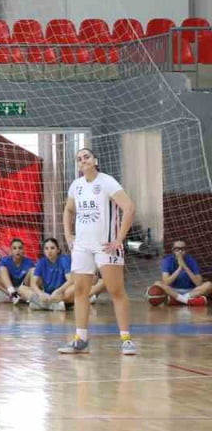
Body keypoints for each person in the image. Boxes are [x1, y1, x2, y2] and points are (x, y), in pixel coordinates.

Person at [59, 147, 136, 355]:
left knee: (115, 290)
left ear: (95, 160)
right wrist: (68, 235)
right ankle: (81, 339)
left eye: (86, 157)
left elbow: (129, 207)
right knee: (80, 291)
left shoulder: (107, 181)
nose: (82, 160)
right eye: (79, 159)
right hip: (82, 246)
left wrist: (119, 238)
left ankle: (126, 339)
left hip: (106, 244)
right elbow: (68, 209)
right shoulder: (76, 185)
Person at [149, 240, 212, 306]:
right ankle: (188, 301)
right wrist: (180, 268)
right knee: (157, 283)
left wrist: (185, 266)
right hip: (172, 291)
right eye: (177, 249)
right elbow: (166, 282)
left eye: (183, 249)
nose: (180, 251)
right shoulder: (167, 260)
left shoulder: (191, 260)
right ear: (173, 250)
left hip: (191, 291)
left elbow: (198, 283)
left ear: (186, 250)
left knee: (209, 285)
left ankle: (178, 300)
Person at [0, 238, 36, 304]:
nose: (17, 250)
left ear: (23, 250)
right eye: (14, 248)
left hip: (22, 291)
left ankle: (25, 295)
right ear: (11, 251)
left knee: (33, 270)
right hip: (7, 292)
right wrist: (9, 293)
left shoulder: (29, 262)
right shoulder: (4, 261)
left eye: (20, 248)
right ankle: (13, 293)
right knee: (2, 268)